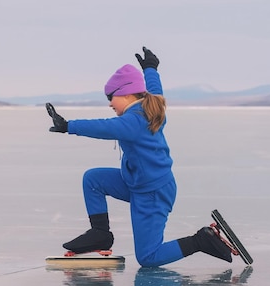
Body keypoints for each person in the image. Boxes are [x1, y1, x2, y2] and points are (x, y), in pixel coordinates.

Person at [46, 47, 235, 267]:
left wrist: (69, 126)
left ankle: (201, 240)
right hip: (136, 182)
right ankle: (100, 233)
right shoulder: (152, 106)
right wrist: (151, 69)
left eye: (111, 97)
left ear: (126, 95)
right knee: (93, 179)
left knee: (148, 257)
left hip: (153, 193)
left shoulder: (134, 122)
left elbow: (105, 128)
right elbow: (155, 90)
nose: (109, 103)